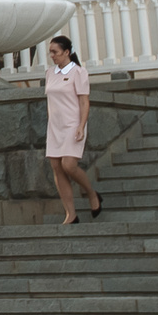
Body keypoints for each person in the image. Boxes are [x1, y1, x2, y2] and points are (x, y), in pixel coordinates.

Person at [46, 34, 103, 223]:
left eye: (55, 52)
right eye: (50, 52)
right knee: (57, 168)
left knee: (68, 165)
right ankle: (71, 214)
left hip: (73, 125)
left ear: (66, 52)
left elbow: (84, 101)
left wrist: (81, 125)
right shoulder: (49, 73)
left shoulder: (79, 72)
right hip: (54, 127)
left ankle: (92, 193)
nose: (52, 56)